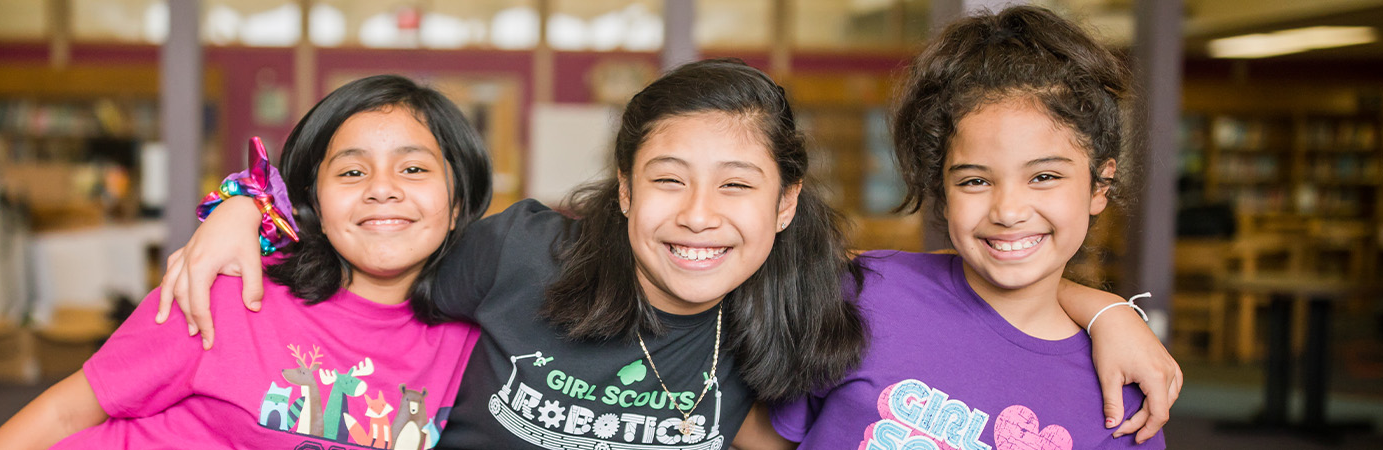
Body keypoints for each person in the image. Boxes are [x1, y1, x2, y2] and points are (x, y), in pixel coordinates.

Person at [163, 59, 1178, 449]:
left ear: (784, 208)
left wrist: (1108, 309)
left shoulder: (809, 298)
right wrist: (245, 208)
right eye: (667, 180)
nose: (699, 217)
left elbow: (988, 276)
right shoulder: (523, 252)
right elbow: (374, 233)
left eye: (737, 185)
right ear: (623, 189)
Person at [0, 74, 490, 449]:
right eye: (352, 172)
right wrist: (243, 205)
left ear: (457, 205)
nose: (382, 188)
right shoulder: (227, 289)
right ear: (316, 201)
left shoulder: (475, 339)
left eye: (414, 168)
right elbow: (68, 413)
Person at [769, 6, 1170, 448]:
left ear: (1100, 185)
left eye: (1044, 177)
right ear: (942, 191)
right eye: (975, 181)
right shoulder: (863, 292)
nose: (1009, 211)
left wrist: (1107, 311)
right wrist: (1105, 307)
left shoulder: (1123, 393)